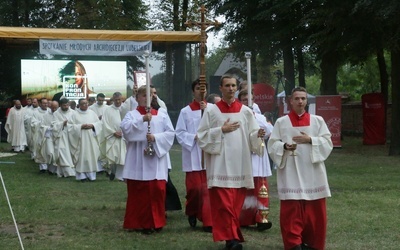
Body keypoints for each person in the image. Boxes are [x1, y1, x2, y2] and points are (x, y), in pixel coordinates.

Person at [197, 74, 266, 250]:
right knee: (225, 205)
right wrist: (221, 129)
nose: (230, 89)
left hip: (240, 164)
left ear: (237, 88)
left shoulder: (245, 111)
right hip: (220, 164)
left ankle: (230, 238)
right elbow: (202, 136)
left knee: (234, 206)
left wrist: (257, 136)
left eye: (233, 85)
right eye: (227, 85)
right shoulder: (211, 111)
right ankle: (232, 239)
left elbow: (252, 135)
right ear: (220, 88)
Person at [267, 86, 333, 250]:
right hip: (291, 170)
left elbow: (327, 142)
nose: (300, 101)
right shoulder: (281, 122)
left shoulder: (318, 121)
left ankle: (313, 243)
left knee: (314, 211)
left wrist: (311, 140)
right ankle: (293, 243)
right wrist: (284, 147)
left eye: (303, 98)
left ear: (307, 101)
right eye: (297, 98)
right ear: (290, 101)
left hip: (312, 171)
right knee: (291, 210)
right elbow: (272, 144)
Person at [121, 85, 175, 234]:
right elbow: (126, 131)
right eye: (144, 95)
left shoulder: (162, 114)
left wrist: (155, 138)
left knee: (157, 190)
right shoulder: (131, 115)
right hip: (138, 158)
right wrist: (142, 120)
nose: (147, 98)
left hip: (156, 159)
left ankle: (156, 222)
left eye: (150, 95)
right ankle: (140, 223)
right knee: (140, 192)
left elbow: (170, 133)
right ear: (137, 98)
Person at [176, 79, 212, 232]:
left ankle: (208, 220)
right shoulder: (186, 111)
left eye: (203, 88)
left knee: (208, 190)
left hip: (209, 154)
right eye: (198, 88)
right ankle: (192, 211)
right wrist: (194, 137)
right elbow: (179, 132)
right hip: (194, 155)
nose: (201, 91)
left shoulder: (213, 109)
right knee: (195, 189)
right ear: (193, 91)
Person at [237, 89, 273, 231]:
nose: (248, 103)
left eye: (250, 100)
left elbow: (270, 131)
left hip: (258, 157)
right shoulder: (237, 116)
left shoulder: (260, 117)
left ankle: (261, 218)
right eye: (245, 100)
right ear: (240, 101)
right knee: (244, 188)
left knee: (260, 187)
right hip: (244, 156)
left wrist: (256, 119)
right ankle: (243, 218)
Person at [68, 98, 102, 182]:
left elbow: (99, 124)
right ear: (79, 105)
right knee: (81, 156)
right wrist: (80, 126)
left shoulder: (92, 113)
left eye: (86, 103)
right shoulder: (74, 114)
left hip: (91, 137)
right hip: (80, 138)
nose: (85, 105)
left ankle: (91, 176)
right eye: (83, 104)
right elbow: (70, 126)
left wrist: (92, 125)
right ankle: (81, 176)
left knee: (91, 156)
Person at [102, 92, 126, 181]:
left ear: (122, 99)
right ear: (113, 99)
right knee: (113, 156)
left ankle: (121, 176)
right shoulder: (108, 110)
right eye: (116, 100)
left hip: (124, 136)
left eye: (119, 99)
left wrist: (124, 132)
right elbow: (105, 123)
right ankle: (112, 172)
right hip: (112, 136)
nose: (118, 101)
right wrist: (113, 132)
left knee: (122, 156)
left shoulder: (125, 108)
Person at [52, 98, 76, 178]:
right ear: (60, 105)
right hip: (61, 136)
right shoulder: (56, 113)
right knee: (62, 152)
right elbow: (54, 125)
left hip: (71, 136)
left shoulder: (73, 112)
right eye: (64, 105)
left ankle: (73, 171)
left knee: (72, 153)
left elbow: (76, 123)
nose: (66, 107)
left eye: (67, 105)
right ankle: (66, 172)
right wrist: (62, 123)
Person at [35, 101, 59, 175]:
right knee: (49, 152)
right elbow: (41, 126)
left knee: (56, 153)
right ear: (50, 107)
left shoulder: (59, 114)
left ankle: (52, 170)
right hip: (48, 136)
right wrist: (48, 128)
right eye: (53, 107)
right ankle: (45, 167)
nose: (54, 109)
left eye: (56, 107)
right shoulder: (46, 115)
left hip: (58, 137)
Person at [89, 93, 108, 173]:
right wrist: (97, 119)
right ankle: (97, 167)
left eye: (102, 100)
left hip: (104, 131)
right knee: (96, 149)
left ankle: (104, 167)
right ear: (96, 99)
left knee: (103, 148)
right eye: (99, 100)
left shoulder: (107, 108)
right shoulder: (91, 108)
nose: (100, 102)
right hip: (95, 131)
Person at [31, 98, 50, 173]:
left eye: (46, 103)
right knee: (40, 149)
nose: (45, 105)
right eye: (44, 103)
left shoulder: (50, 112)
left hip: (48, 134)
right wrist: (40, 124)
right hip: (39, 134)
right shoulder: (36, 112)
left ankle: (49, 166)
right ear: (40, 104)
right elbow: (33, 123)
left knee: (48, 150)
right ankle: (42, 167)